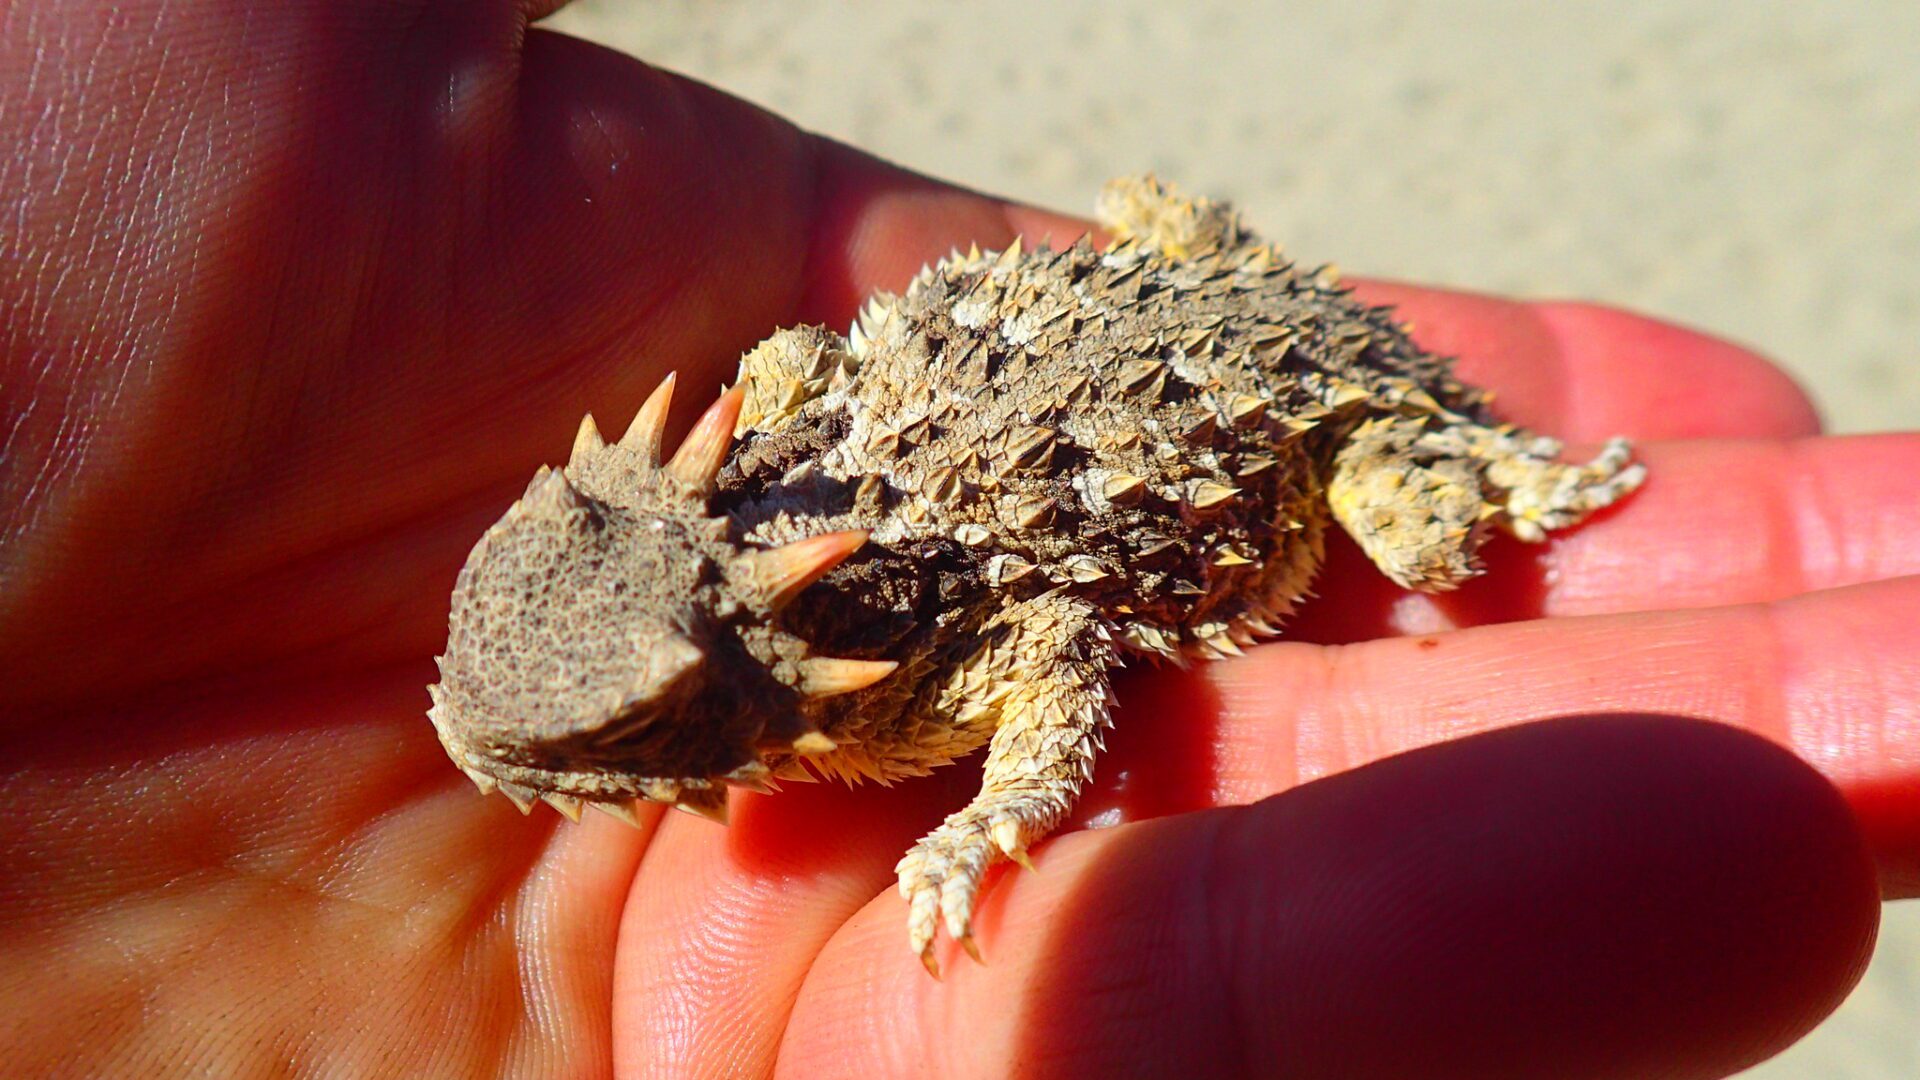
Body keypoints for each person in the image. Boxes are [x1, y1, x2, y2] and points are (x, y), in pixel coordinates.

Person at [0, 3, 1908, 1076]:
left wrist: (997, 817)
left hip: (1269, 418)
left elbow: (1058, 652)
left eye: (608, 734)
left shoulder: (884, 671)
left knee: (1436, 522)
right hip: (1098, 316)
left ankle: (1475, 459)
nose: (497, 755)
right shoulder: (750, 524)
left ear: (724, 698)